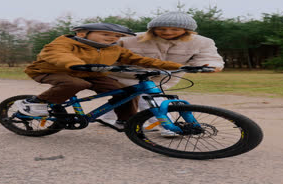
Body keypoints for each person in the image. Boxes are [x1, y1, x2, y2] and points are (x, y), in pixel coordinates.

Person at [14, 22, 183, 129]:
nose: (113, 38)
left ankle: (127, 121)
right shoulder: (63, 42)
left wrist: (181, 67)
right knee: (77, 84)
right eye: (106, 34)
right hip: (53, 71)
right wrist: (73, 63)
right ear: (82, 34)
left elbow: (140, 60)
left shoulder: (114, 48)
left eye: (117, 36)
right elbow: (58, 55)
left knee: (125, 91)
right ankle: (34, 103)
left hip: (90, 73)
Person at [99, 11, 224, 136]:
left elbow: (208, 57)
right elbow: (105, 53)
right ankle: (167, 126)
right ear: (152, 29)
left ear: (187, 30)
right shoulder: (129, 39)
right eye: (161, 29)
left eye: (175, 29)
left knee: (130, 98)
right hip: (124, 75)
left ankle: (106, 116)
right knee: (148, 98)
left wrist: (209, 65)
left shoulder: (202, 42)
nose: (167, 32)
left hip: (163, 78)